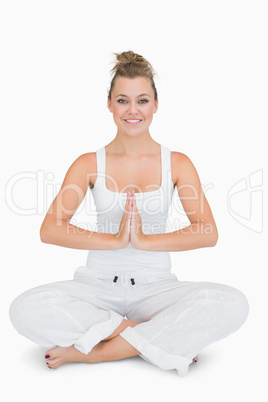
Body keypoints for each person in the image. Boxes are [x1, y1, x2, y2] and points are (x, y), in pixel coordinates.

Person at [9, 50, 249, 376]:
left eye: (142, 100)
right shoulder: (89, 163)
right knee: (23, 309)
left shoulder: (177, 163)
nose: (133, 110)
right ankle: (152, 337)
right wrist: (116, 239)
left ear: (155, 105)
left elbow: (208, 231)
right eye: (123, 100)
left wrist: (145, 241)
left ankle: (98, 353)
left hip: (156, 289)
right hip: (97, 288)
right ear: (109, 104)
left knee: (234, 303)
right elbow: (50, 229)